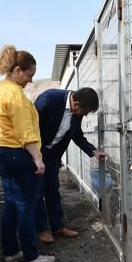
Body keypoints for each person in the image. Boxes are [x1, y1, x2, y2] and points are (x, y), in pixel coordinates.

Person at [0, 45, 55, 262]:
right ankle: (31, 256)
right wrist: (38, 159)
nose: (30, 80)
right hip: (16, 153)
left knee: (12, 204)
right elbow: (25, 130)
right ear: (17, 70)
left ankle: (11, 252)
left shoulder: (0, 90)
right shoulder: (15, 94)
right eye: (29, 75)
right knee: (27, 205)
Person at [35, 88, 107, 243]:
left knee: (53, 190)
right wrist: (34, 155)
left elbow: (77, 135)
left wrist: (93, 151)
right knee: (37, 192)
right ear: (76, 103)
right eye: (85, 111)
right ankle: (43, 230)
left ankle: (58, 227)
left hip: (52, 154)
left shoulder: (76, 112)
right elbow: (31, 128)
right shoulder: (49, 99)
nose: (84, 115)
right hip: (35, 153)